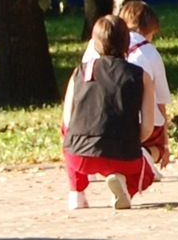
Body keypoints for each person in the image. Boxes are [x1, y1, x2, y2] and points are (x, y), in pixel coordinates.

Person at [62, 15, 157, 210]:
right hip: (124, 154)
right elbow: (148, 126)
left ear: (94, 43)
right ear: (127, 42)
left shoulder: (80, 72)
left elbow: (68, 120)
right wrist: (133, 141)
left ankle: (76, 193)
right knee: (147, 174)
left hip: (80, 155)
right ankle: (125, 188)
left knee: (67, 133)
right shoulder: (140, 76)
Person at [82, 0, 172, 171]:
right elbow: (161, 102)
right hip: (139, 126)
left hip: (96, 121)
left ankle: (94, 162)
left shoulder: (94, 45)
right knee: (157, 145)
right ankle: (146, 154)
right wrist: (165, 145)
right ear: (149, 30)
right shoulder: (149, 52)